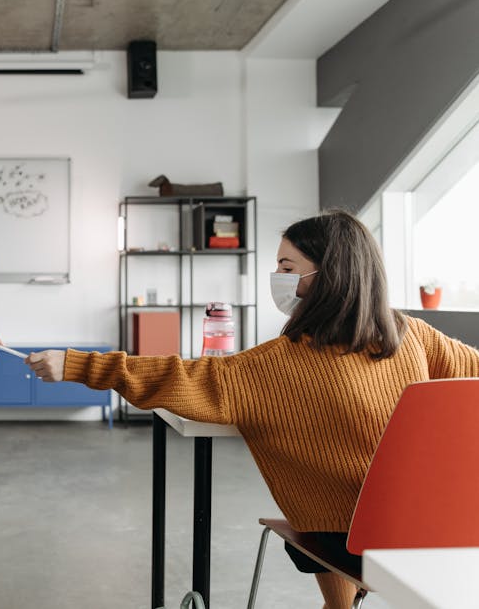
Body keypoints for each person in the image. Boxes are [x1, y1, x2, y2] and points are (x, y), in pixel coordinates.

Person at [26, 209, 479, 609]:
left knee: (326, 501)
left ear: (328, 277)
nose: (277, 277)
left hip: (353, 545)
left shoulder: (276, 366)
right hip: (446, 534)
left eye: (287, 266)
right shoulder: (411, 334)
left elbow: (179, 378)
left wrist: (77, 364)